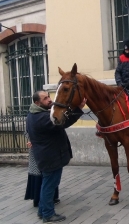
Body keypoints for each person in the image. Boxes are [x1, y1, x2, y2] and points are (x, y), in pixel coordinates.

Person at [26, 90, 86, 223]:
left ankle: (42, 211)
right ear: (37, 103)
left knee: (47, 184)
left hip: (47, 157)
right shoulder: (41, 118)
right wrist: (79, 108)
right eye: (45, 98)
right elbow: (63, 122)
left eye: (48, 96)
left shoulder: (33, 114)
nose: (49, 99)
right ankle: (48, 214)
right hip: (50, 158)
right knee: (49, 185)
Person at [24, 139, 59, 208]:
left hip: (40, 147)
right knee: (42, 174)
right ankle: (39, 200)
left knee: (44, 174)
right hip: (40, 148)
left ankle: (46, 198)